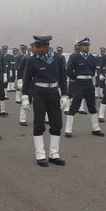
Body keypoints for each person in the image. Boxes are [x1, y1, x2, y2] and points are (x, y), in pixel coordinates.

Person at [21, 35, 68, 167]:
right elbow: (27, 80)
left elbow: (63, 79)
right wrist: (25, 97)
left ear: (46, 47)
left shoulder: (58, 59)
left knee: (56, 123)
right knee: (39, 123)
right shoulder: (32, 61)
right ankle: (40, 154)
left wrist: (65, 95)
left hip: (53, 92)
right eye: (35, 46)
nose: (35, 49)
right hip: (39, 93)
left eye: (38, 47)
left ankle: (54, 154)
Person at [63, 37, 104, 138]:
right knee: (74, 106)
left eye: (88, 45)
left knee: (92, 106)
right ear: (80, 47)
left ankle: (95, 128)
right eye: (85, 46)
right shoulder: (75, 57)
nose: (87, 47)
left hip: (89, 83)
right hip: (79, 83)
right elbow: (68, 71)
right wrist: (76, 79)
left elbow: (93, 70)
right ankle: (68, 130)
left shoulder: (92, 58)